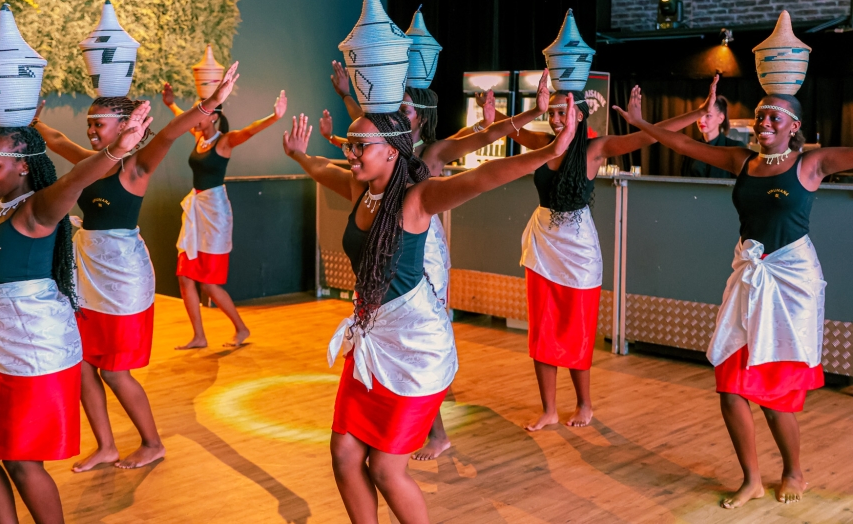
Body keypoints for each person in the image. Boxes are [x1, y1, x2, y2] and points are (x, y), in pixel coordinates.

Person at [282, 97, 577, 524]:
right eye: (348, 144)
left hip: (416, 350)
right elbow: (323, 169)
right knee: (345, 454)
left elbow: (483, 177)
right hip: (371, 343)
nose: (349, 154)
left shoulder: (416, 199)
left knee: (385, 467)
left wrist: (548, 152)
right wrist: (297, 154)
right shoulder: (360, 190)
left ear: (391, 148)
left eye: (358, 145)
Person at [614, 82, 851, 508]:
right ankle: (752, 479)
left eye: (773, 117)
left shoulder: (811, 164)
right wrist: (642, 124)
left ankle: (794, 470)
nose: (763, 123)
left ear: (793, 125)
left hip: (791, 285)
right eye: (760, 116)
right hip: (749, 279)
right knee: (730, 387)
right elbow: (685, 146)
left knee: (776, 398)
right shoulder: (742, 161)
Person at [0, 65, 237, 473]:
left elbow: (172, 132)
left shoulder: (136, 167)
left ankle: (153, 443)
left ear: (127, 127)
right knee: (84, 365)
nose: (91, 131)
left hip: (122, 276)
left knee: (114, 372)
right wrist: (28, 118)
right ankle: (106, 446)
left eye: (99, 124)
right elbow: (55, 139)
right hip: (88, 270)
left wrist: (209, 104)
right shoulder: (91, 160)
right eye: (89, 124)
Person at [321, 62, 556, 459]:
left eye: (408, 106)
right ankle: (425, 422)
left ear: (422, 116)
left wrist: (535, 114)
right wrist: (344, 104)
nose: (401, 109)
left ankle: (433, 424)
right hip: (385, 240)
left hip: (422, 246)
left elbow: (486, 136)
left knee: (422, 329)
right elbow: (362, 135)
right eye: (399, 104)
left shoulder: (434, 152)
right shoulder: (377, 147)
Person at [480, 78, 717, 430]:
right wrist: (491, 115)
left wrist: (697, 112)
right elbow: (508, 130)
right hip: (543, 245)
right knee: (542, 330)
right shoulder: (543, 143)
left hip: (579, 252)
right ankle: (548, 409)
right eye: (553, 111)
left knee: (577, 328)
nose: (556, 118)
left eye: (563, 112)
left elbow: (651, 135)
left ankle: (584, 404)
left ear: (578, 113)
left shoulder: (595, 149)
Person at [0, 102, 152, 523]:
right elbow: (11, 159)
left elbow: (77, 177)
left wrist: (117, 150)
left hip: (33, 353)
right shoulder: (8, 198)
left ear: (21, 169)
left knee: (22, 462)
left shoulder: (39, 210)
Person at [162, 84, 288, 348]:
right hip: (197, 208)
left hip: (214, 212)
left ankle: (241, 329)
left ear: (214, 116)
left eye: (203, 111)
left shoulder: (224, 141)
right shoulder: (199, 137)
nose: (197, 115)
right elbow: (186, 118)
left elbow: (249, 130)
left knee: (209, 285)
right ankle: (198, 336)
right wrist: (171, 104)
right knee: (185, 276)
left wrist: (274, 117)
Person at [682, 76, 748, 178]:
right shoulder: (691, 147)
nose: (701, 120)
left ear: (721, 118)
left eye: (708, 115)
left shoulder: (735, 147)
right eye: (700, 115)